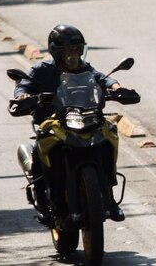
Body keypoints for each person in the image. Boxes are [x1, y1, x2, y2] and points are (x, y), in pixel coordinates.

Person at [12, 25, 127, 223]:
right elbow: (24, 84)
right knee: (41, 148)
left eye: (75, 50)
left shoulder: (85, 69)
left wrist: (116, 87)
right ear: (57, 53)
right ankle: (43, 202)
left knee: (109, 134)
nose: (72, 56)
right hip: (52, 121)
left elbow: (102, 79)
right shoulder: (42, 70)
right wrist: (23, 95)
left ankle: (109, 197)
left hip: (86, 116)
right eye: (66, 52)